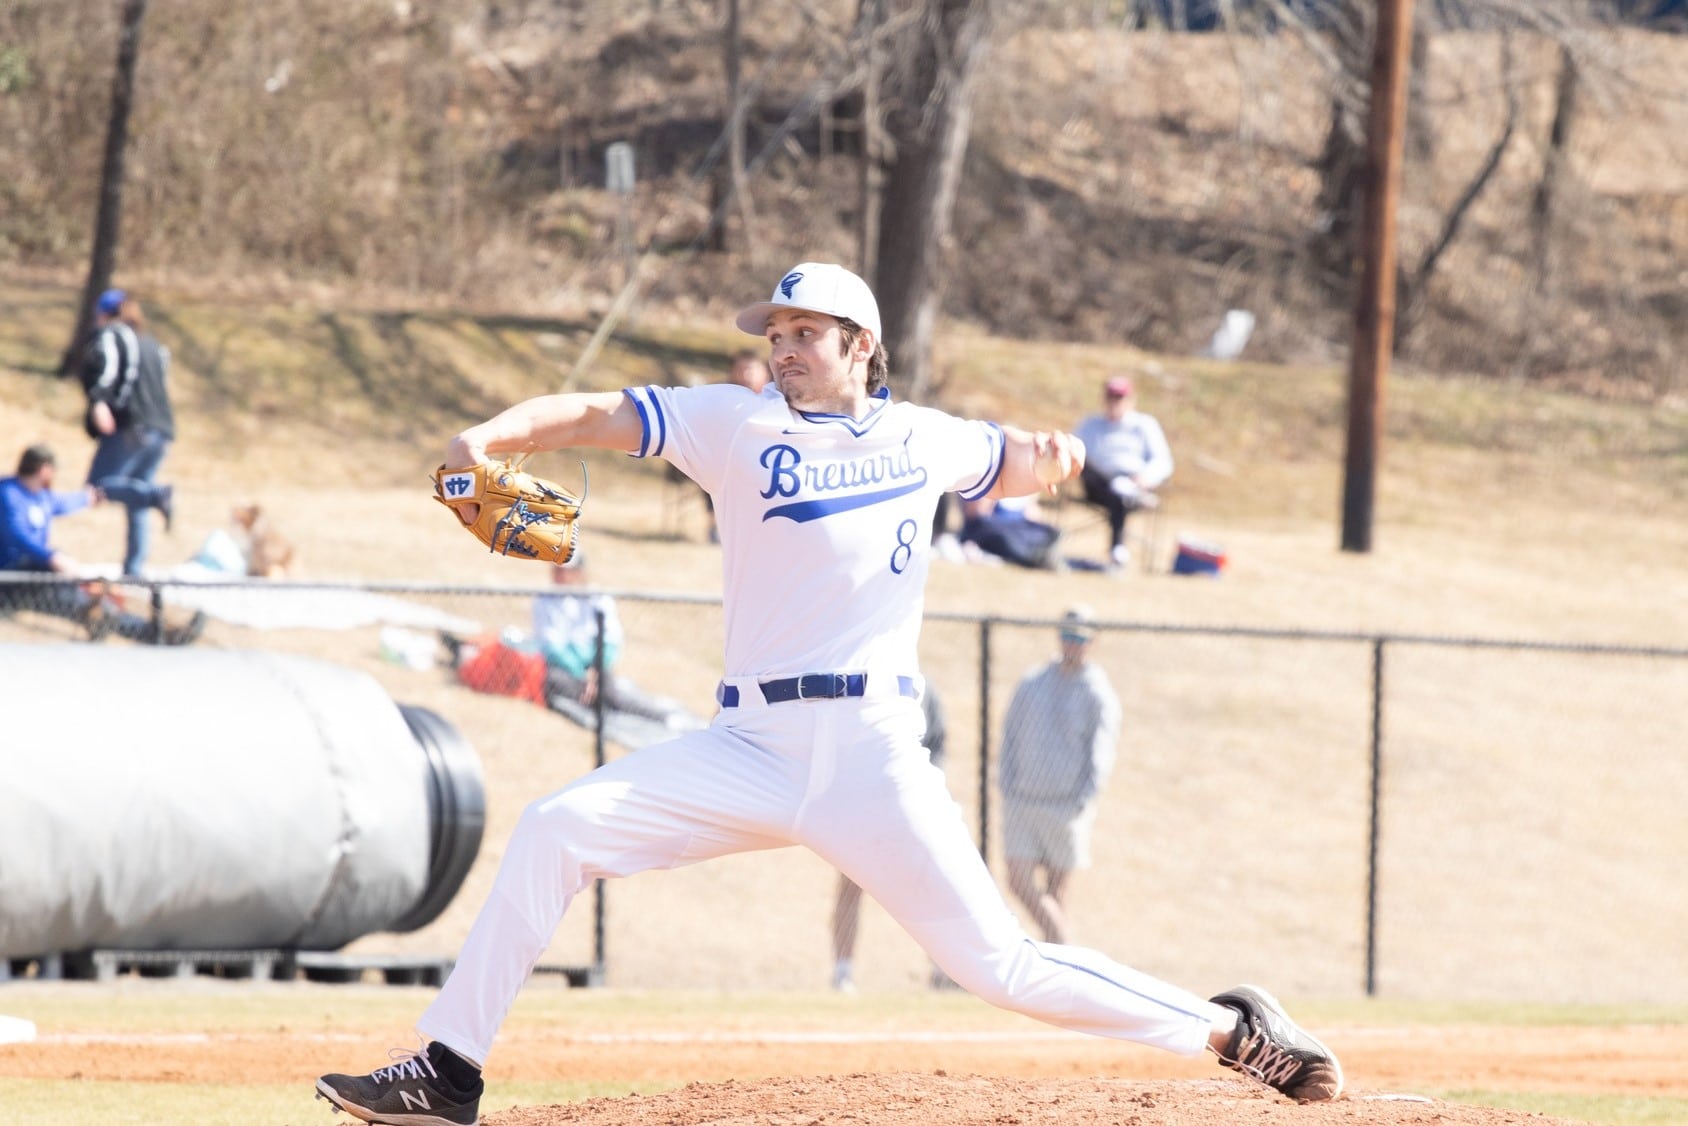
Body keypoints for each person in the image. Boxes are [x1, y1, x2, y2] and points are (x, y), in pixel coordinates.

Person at [314, 261, 1342, 1126]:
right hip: (748, 745)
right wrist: (484, 439)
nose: (784, 346)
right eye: (776, 330)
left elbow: (1007, 462)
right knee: (552, 828)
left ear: (861, 345)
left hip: (870, 753)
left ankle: (1234, 1031)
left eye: (807, 330)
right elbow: (590, 411)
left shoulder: (923, 439)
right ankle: (447, 1070)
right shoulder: (731, 425)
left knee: (1000, 965)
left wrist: (1052, 459)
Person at [998, 606, 1120, 945]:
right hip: (1023, 798)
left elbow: (1101, 750)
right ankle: (1066, 948)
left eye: (1079, 638)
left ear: (1092, 642)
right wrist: (1007, 785)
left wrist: (1084, 798)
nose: (1072, 644)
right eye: (1067, 635)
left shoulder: (1097, 692)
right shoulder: (1033, 682)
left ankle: (1060, 968)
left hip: (1066, 806)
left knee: (1057, 893)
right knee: (1018, 881)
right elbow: (1009, 735)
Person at [0, 444, 202, 645]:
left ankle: (157, 633)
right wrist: (51, 557)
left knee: (92, 601)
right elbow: (16, 534)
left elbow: (63, 502)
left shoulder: (39, 496)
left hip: (35, 576)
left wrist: (89, 497)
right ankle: (155, 634)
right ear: (45, 469)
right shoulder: (7, 492)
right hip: (9, 578)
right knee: (81, 597)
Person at [830, 684, 947, 993]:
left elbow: (937, 746)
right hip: (863, 802)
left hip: (908, 805)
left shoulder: (923, 686)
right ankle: (843, 973)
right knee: (851, 885)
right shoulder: (861, 683)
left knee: (925, 885)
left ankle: (942, 970)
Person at [80, 288, 177, 577]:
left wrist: (99, 402)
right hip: (163, 429)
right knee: (135, 499)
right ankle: (134, 569)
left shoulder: (113, 334)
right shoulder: (152, 344)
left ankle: (157, 495)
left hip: (132, 426)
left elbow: (107, 370)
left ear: (105, 312)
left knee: (98, 486)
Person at [1072, 375, 1172, 571]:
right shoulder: (1089, 425)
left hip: (1133, 486)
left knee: (1120, 493)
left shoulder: (1145, 425)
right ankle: (1117, 547)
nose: (1114, 402)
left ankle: (1117, 547)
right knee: (1089, 469)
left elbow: (1163, 461)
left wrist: (1146, 477)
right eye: (1111, 397)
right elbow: (1073, 454)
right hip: (1097, 485)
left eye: (1120, 398)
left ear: (1131, 400)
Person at [702, 348, 773, 543]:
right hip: (726, 462)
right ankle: (716, 526)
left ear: (765, 373)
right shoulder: (719, 398)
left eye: (751, 369)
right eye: (741, 369)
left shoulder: (777, 401)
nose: (746, 375)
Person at [956, 494, 1063, 570]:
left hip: (1018, 528)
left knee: (1051, 532)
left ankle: (1040, 553)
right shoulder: (993, 471)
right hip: (994, 527)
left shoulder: (1028, 478)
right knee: (997, 532)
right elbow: (977, 514)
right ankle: (1037, 556)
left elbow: (1032, 513)